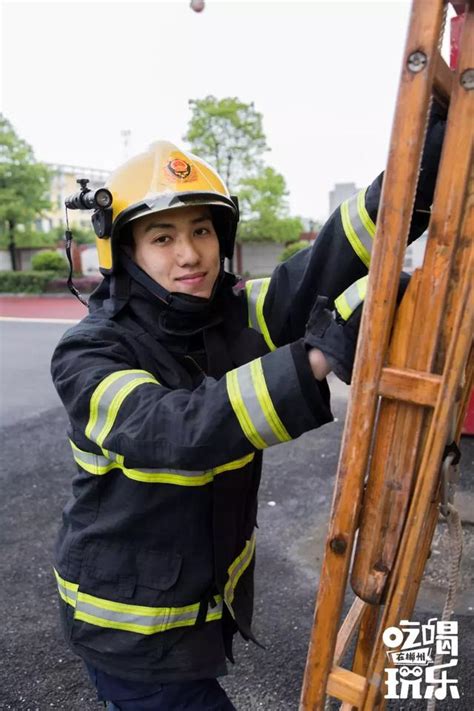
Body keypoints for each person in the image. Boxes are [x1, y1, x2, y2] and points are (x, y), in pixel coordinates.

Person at [51, 109, 445, 710]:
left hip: (186, 620)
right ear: (125, 253)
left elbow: (334, 257)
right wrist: (316, 357)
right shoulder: (89, 352)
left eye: (202, 231)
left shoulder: (227, 315)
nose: (191, 254)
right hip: (132, 636)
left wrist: (438, 141)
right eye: (162, 237)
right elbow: (178, 430)